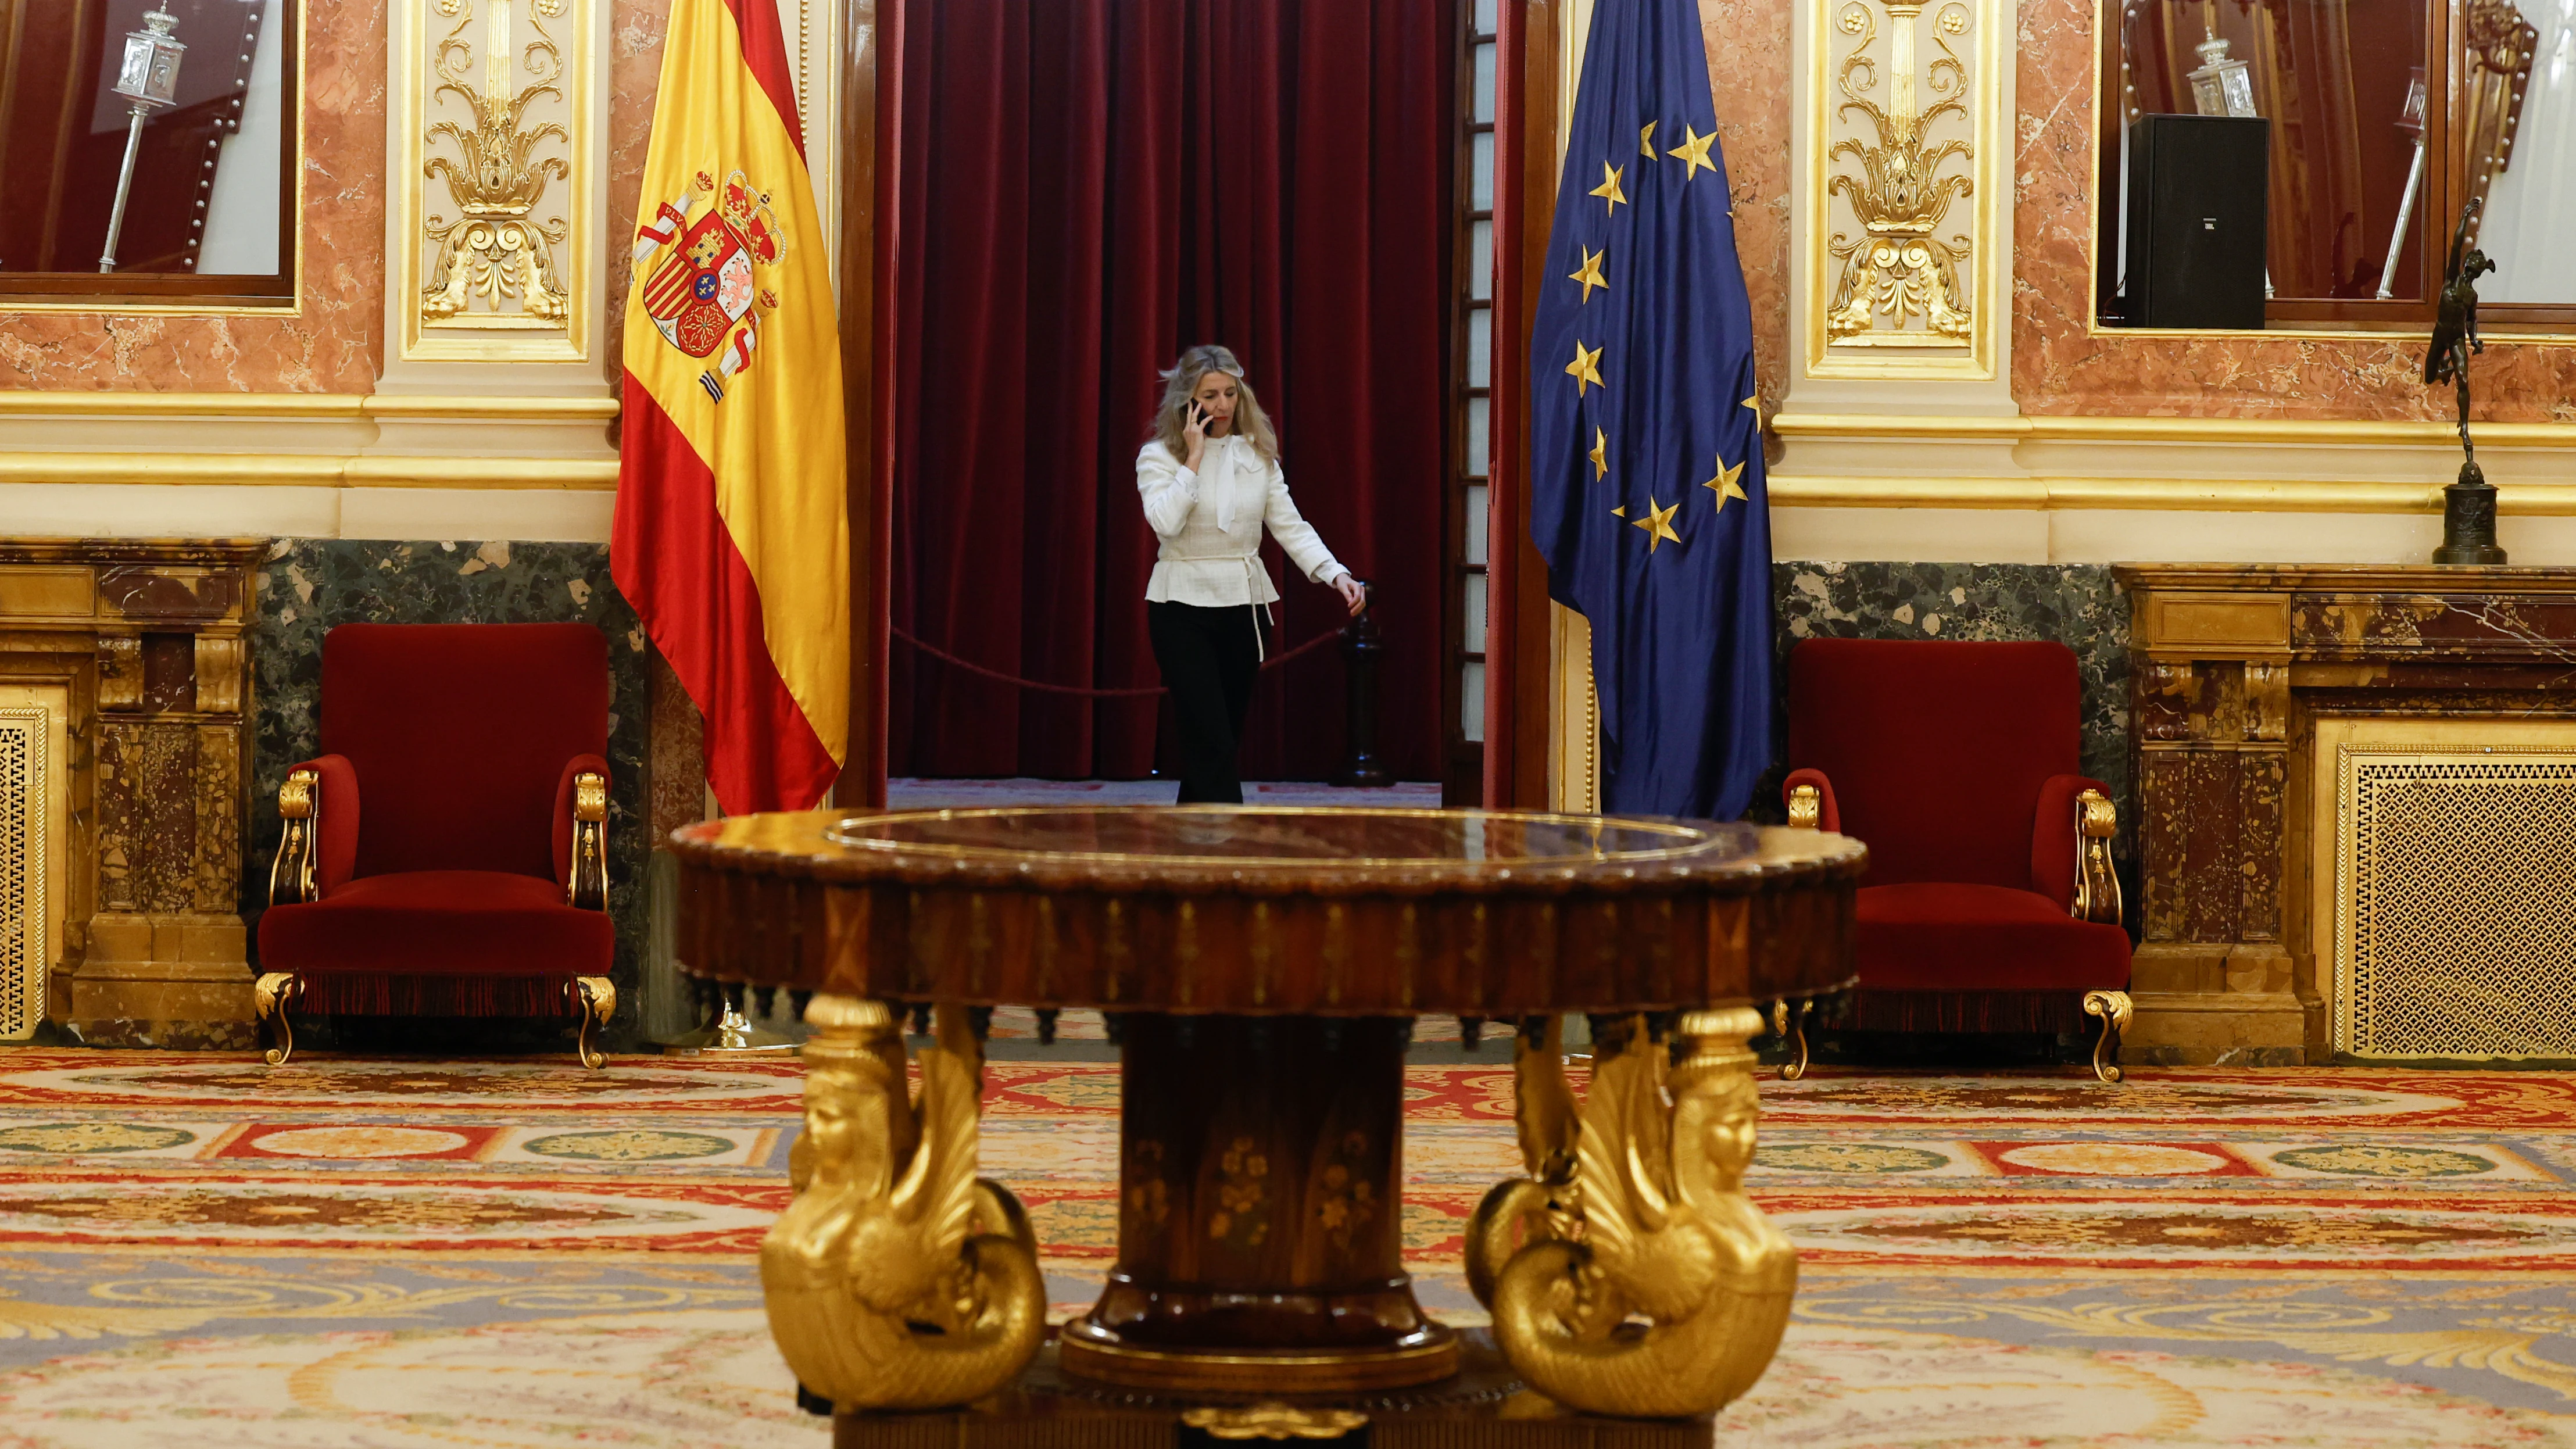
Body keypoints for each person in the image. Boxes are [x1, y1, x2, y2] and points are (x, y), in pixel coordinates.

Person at [1137, 345, 1366, 806]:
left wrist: (1333, 571)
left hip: (1243, 607)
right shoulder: (1158, 457)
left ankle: (1195, 848)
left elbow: (1290, 525)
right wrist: (1194, 459)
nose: (1222, 405)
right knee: (1212, 739)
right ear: (1188, 400)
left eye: (1229, 393)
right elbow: (1165, 522)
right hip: (1180, 608)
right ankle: (1231, 848)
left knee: (1218, 743)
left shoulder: (1257, 456)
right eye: (1210, 395)